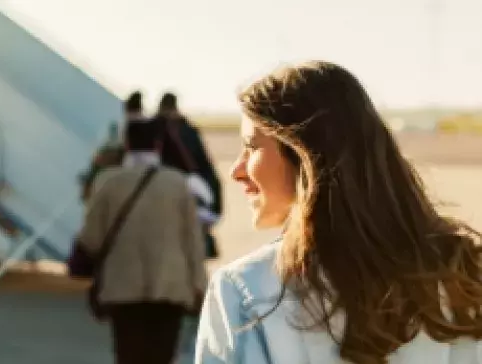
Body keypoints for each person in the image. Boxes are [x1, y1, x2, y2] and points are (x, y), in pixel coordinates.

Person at [195, 61, 482, 364]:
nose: (236, 171)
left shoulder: (247, 290)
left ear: (304, 152)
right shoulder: (460, 275)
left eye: (251, 147)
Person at [78, 116, 207, 364]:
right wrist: (199, 284)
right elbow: (193, 240)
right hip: (170, 286)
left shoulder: (108, 181)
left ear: (127, 144)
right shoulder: (178, 183)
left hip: (123, 287)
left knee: (129, 355)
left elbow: (91, 238)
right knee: (162, 356)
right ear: (158, 145)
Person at [156, 92, 223, 258]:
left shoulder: (154, 132)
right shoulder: (187, 130)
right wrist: (214, 209)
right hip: (191, 198)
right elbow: (206, 167)